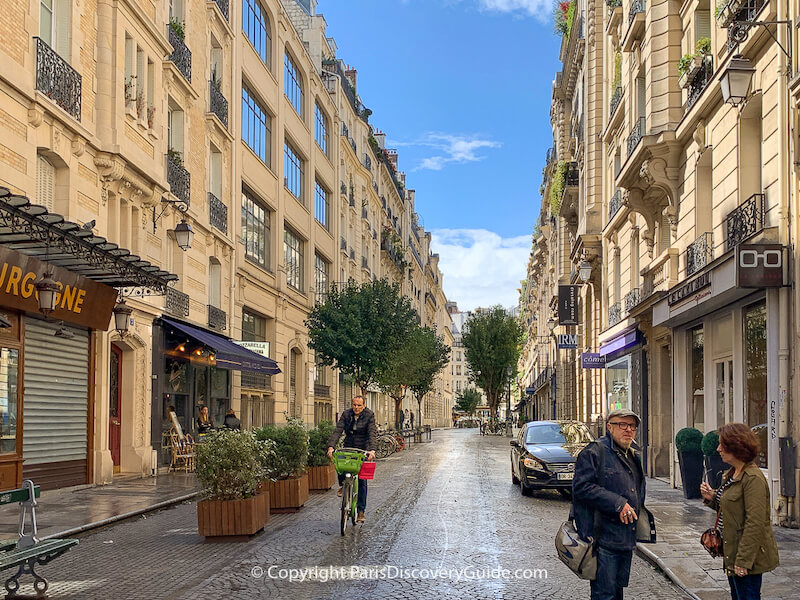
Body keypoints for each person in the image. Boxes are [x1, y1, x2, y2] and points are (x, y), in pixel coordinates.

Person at [572, 408, 656, 600]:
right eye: (622, 425)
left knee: (617, 593)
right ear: (610, 427)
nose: (628, 430)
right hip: (603, 539)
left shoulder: (632, 455)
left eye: (632, 426)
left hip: (625, 538)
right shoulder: (595, 451)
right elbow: (581, 488)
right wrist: (618, 503)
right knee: (605, 595)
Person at [700, 423, 779, 599]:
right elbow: (728, 508)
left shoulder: (753, 478)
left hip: (747, 558)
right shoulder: (731, 474)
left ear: (736, 447)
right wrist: (711, 497)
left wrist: (743, 561)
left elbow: (755, 523)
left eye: (722, 445)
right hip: (732, 552)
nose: (718, 449)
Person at [327, 396, 377, 523]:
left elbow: (372, 433)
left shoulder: (369, 415)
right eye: (354, 405)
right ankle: (343, 485)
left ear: (364, 406)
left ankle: (361, 511)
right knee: (340, 463)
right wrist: (331, 447)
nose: (356, 407)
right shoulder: (346, 414)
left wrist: (372, 450)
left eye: (359, 405)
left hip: (363, 449)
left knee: (362, 480)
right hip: (349, 445)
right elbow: (338, 430)